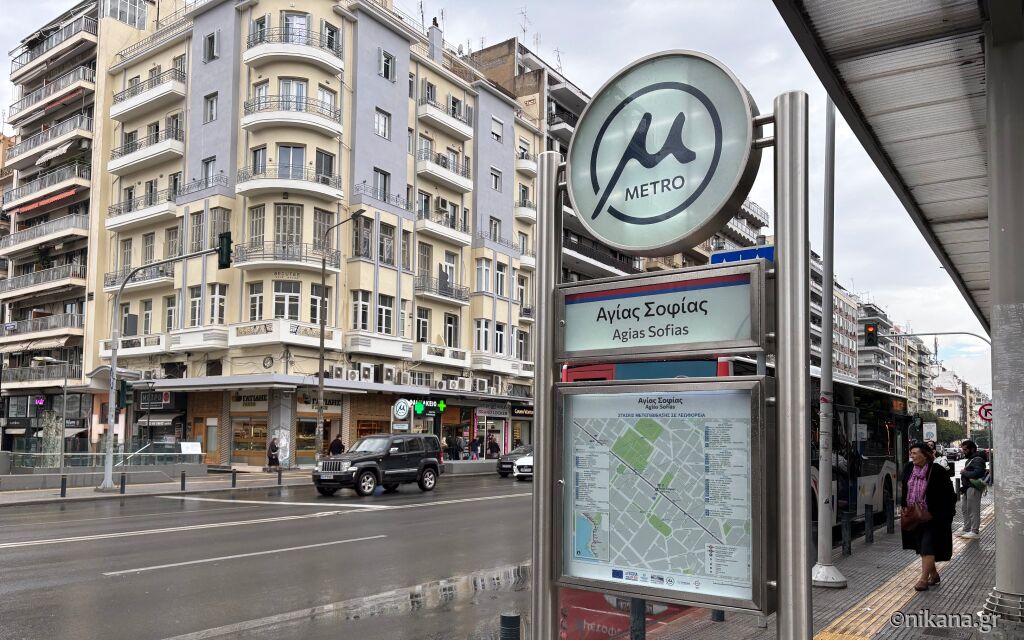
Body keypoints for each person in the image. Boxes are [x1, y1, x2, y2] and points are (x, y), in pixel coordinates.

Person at [901, 441, 956, 591]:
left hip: (934, 516)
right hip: (914, 515)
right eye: (911, 453)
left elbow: (949, 494)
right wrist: (904, 507)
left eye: (915, 453)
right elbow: (904, 488)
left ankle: (923, 580)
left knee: (928, 546)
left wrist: (947, 514)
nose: (912, 456)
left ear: (925, 455)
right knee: (921, 547)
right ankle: (934, 574)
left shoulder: (937, 470)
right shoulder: (908, 468)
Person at [957, 440, 986, 540]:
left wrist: (964, 472)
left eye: (965, 449)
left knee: (973, 509)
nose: (963, 452)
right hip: (967, 487)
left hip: (973, 487)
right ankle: (967, 528)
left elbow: (978, 473)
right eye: (963, 449)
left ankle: (974, 531)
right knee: (965, 509)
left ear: (972, 449)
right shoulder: (970, 459)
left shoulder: (977, 459)